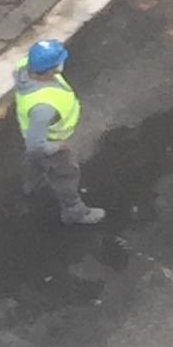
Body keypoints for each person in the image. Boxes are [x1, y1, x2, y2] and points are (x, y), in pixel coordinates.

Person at [15, 39, 105, 225]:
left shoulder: (24, 66)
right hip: (50, 143)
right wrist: (56, 147)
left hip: (34, 134)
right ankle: (74, 212)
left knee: (34, 163)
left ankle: (32, 185)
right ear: (49, 70)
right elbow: (35, 145)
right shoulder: (43, 108)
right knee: (66, 175)